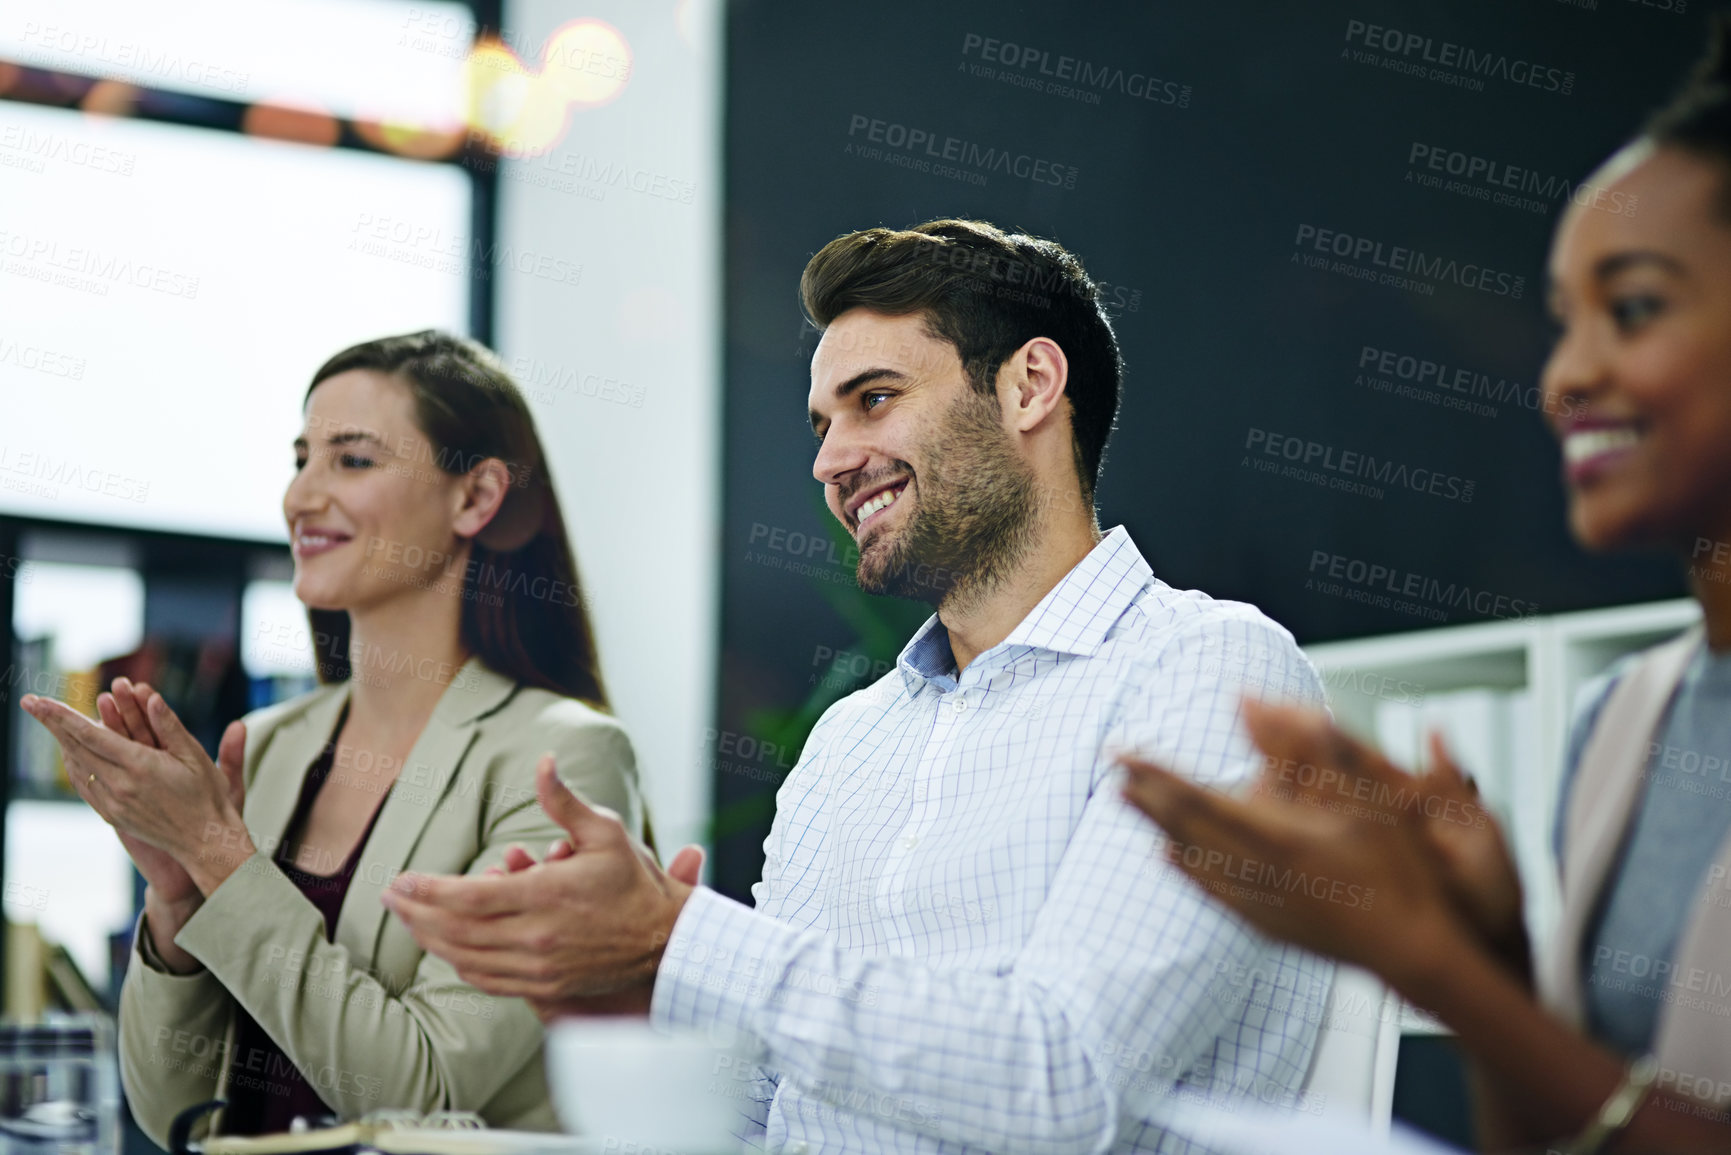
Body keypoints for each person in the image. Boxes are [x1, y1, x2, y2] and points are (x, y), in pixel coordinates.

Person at [382, 220, 1336, 1153]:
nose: (828, 461)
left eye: (873, 399)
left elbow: (1063, 1083)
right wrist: (623, 998)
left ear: (1029, 386)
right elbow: (759, 1103)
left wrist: (683, 940)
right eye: (823, 422)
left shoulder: (1208, 670)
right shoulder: (851, 736)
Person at [1120, 19, 1731, 1154]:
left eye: (1635, 307)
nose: (1566, 377)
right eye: (1563, 322)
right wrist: (1489, 945)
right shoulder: (1624, 725)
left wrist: (1439, 968)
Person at [21, 331, 644, 1142]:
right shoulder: (274, 744)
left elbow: (423, 1094)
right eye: (300, 457)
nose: (301, 496)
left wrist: (217, 855)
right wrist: (176, 904)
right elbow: (173, 1106)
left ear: (476, 496)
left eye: (351, 460)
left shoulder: (562, 760)